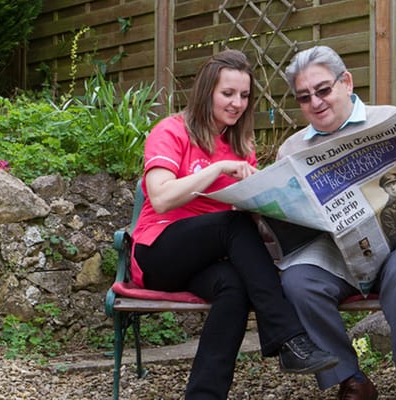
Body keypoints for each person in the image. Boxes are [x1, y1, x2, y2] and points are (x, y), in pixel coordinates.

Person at [130, 49, 338, 400]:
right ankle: (289, 338)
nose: (237, 103)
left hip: (209, 259)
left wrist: (275, 205)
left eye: (244, 95)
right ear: (206, 91)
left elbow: (247, 222)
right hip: (157, 251)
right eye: (228, 93)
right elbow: (161, 197)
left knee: (234, 287)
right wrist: (217, 171)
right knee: (231, 224)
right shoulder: (172, 130)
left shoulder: (241, 147)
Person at [276, 45, 396, 400]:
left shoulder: (388, 121)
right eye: (304, 97)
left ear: (347, 82)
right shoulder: (291, 149)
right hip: (334, 250)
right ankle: (352, 380)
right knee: (297, 280)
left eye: (323, 90)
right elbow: (281, 226)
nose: (316, 102)